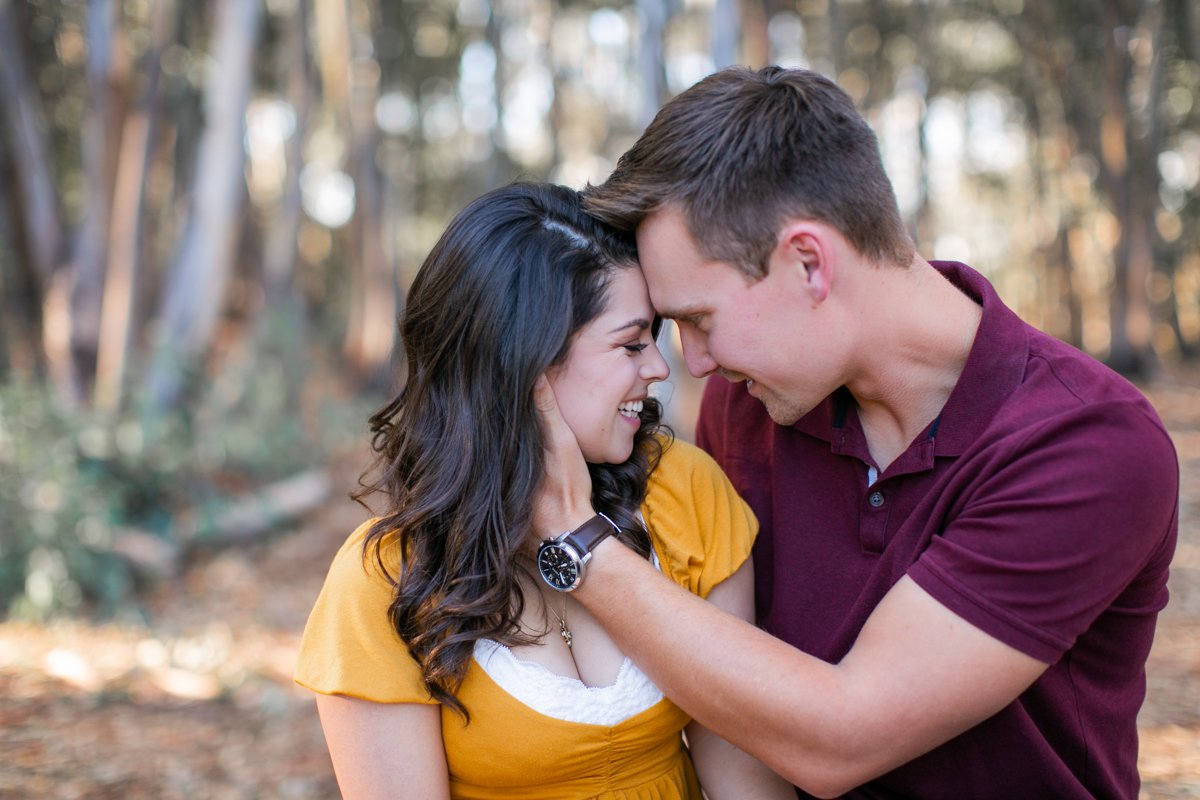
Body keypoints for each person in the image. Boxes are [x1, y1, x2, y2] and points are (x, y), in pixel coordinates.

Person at [529, 67, 1180, 799]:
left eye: (699, 320)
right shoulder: (751, 406)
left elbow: (841, 740)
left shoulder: (1088, 446)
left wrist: (576, 541)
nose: (696, 362)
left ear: (809, 263)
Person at [294, 183, 796, 800]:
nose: (660, 367)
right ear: (525, 362)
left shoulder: (684, 492)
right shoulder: (383, 583)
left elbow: (745, 774)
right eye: (631, 343)